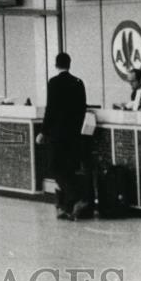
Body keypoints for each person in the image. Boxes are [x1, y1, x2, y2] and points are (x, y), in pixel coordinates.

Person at [35, 52, 88, 221]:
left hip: (57, 135)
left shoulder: (53, 83)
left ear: (56, 65)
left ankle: (76, 198)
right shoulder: (78, 83)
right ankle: (66, 207)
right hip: (73, 134)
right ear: (69, 64)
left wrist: (43, 131)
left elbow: (50, 109)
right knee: (69, 169)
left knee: (55, 168)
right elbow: (82, 109)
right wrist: (76, 129)